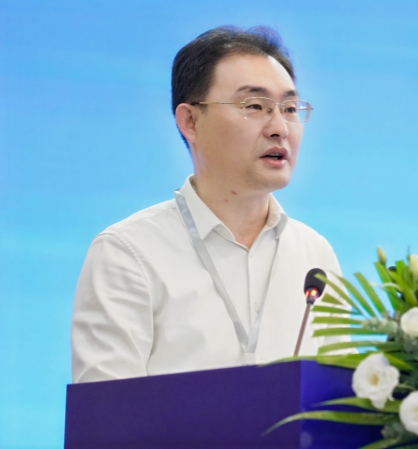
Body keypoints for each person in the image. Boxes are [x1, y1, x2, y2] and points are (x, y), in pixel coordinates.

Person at [71, 26, 342, 383]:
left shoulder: (314, 256)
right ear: (191, 121)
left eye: (290, 108)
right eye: (254, 106)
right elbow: (106, 410)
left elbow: (340, 400)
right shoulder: (128, 253)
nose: (280, 127)